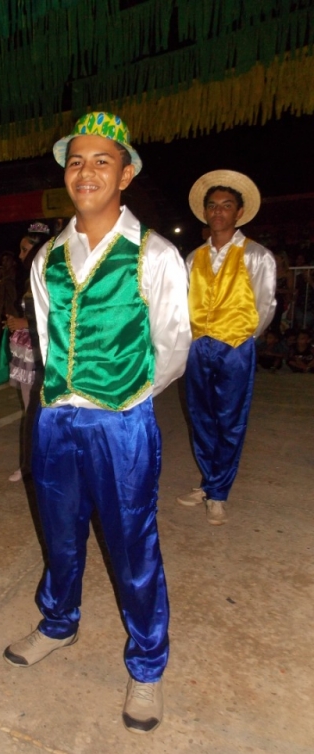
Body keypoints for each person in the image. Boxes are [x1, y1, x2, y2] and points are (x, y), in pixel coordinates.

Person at [3, 112, 192, 734]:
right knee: (59, 534)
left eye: (101, 161)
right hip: (55, 419)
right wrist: (61, 399)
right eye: (76, 161)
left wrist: (126, 397)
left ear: (126, 174)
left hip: (121, 424)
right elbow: (49, 336)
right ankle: (59, 622)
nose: (86, 172)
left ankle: (147, 664)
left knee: (133, 546)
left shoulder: (154, 253)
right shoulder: (49, 256)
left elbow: (172, 345)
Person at [177, 171, 276, 525]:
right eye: (213, 205)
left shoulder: (257, 255)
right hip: (198, 346)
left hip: (235, 346)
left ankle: (218, 493)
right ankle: (209, 481)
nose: (218, 211)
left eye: (226, 205)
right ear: (205, 212)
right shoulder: (193, 258)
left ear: (239, 212)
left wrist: (242, 339)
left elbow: (265, 305)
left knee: (230, 420)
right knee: (201, 417)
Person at [5, 222, 51, 481]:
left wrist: (26, 322)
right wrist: (18, 321)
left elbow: (64, 317)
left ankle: (43, 464)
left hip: (48, 351)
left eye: (25, 250)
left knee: (48, 409)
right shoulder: (29, 277)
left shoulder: (55, 275)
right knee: (30, 408)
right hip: (28, 349)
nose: (20, 255)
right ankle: (29, 463)